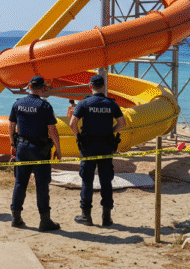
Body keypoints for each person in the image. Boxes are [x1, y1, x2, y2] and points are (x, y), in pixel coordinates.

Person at [8, 75, 62, 232]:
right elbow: (52, 130)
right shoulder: (44, 106)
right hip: (40, 150)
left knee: (20, 182)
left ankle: (16, 218)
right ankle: (44, 221)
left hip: (22, 148)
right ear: (43, 88)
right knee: (42, 185)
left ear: (28, 86)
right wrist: (58, 150)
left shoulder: (18, 103)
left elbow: (11, 125)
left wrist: (12, 144)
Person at [70, 74, 125, 227]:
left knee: (87, 180)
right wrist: (111, 132)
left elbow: (72, 123)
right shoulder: (111, 104)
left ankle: (86, 216)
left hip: (88, 146)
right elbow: (122, 123)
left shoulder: (84, 103)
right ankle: (106, 218)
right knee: (106, 180)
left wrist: (78, 137)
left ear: (90, 86)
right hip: (106, 146)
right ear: (103, 86)